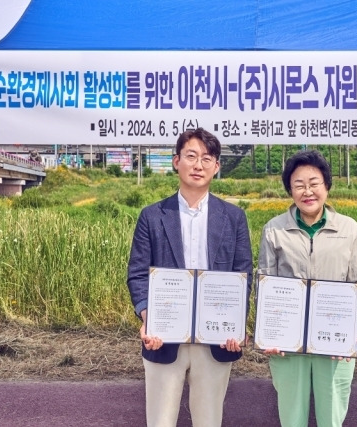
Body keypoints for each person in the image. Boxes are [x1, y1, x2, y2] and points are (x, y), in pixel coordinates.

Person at [127, 128, 253, 427]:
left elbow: (242, 275)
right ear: (176, 161)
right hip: (163, 336)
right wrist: (148, 316)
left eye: (206, 158)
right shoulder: (152, 215)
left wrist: (237, 323)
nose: (198, 165)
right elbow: (137, 273)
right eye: (191, 156)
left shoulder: (233, 217)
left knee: (209, 420)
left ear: (216, 167)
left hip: (215, 339)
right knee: (160, 421)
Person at [257, 150, 357, 427]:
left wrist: (349, 327)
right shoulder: (274, 230)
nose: (307, 191)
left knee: (331, 416)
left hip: (334, 341)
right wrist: (269, 331)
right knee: (291, 416)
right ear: (290, 190)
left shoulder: (350, 229)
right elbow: (265, 283)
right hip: (288, 344)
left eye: (314, 183)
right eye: (298, 185)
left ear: (326, 186)